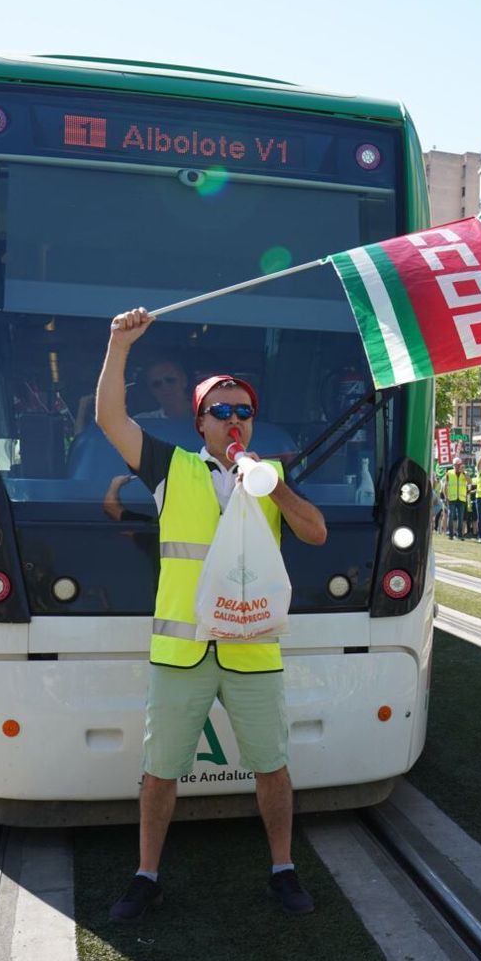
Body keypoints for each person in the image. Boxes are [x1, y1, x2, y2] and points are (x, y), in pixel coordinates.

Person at [97, 308, 329, 923]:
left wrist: (269, 483)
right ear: (198, 422)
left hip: (252, 648)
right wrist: (119, 345)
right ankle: (146, 875)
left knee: (272, 767)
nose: (233, 421)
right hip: (184, 650)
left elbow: (316, 533)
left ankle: (283, 868)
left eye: (243, 411)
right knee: (160, 770)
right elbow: (109, 419)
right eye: (220, 412)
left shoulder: (270, 473)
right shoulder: (169, 466)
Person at [444, 457, 470, 540]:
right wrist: (445, 496)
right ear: (453, 465)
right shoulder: (449, 473)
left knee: (461, 517)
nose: (458, 467)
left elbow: (470, 482)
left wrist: (464, 473)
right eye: (456, 465)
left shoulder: (464, 473)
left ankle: (459, 535)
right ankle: (450, 533)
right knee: (450, 515)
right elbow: (445, 486)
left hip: (461, 498)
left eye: (459, 465)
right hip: (452, 498)